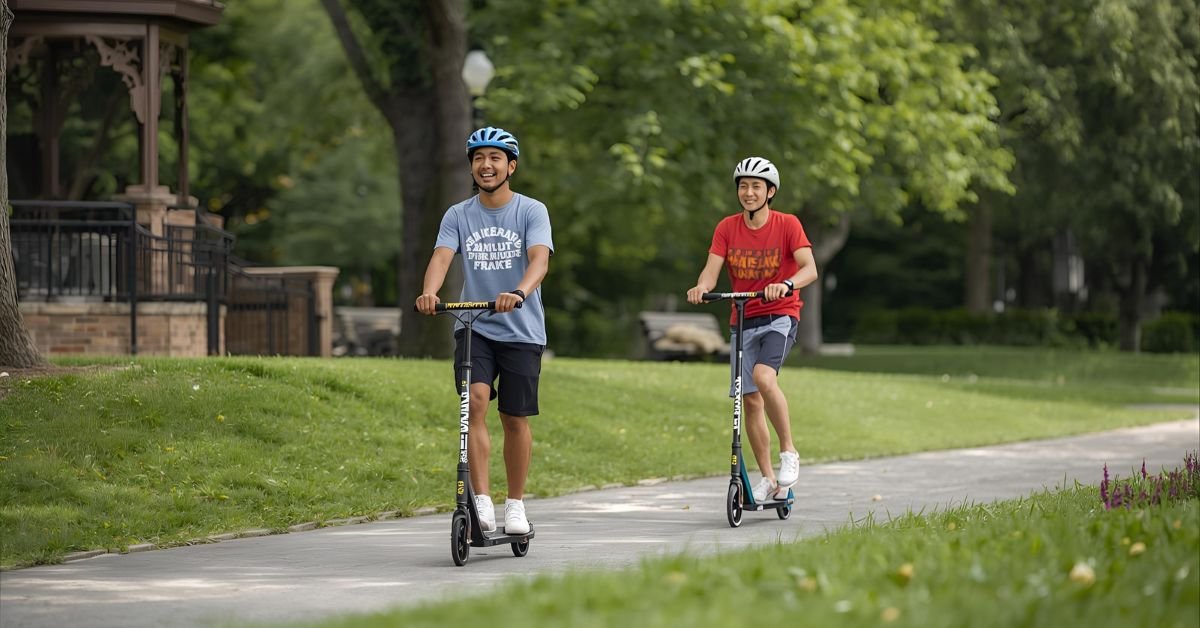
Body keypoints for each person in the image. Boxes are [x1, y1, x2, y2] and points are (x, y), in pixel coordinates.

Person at [415, 126, 553, 535]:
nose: (486, 165)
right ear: (472, 168)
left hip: (522, 329)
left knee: (514, 417)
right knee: (474, 402)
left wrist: (519, 291)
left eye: (494, 158)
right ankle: (481, 498)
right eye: (478, 158)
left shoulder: (531, 210)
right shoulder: (458, 214)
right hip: (474, 326)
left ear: (510, 166)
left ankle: (515, 504)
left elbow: (539, 261)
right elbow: (442, 257)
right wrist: (428, 292)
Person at [686, 156, 817, 502]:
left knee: (763, 377)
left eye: (756, 186)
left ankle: (789, 452)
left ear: (770, 191)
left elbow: (809, 268)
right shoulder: (727, 228)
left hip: (780, 314)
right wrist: (702, 287)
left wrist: (787, 284)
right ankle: (769, 479)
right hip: (743, 319)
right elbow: (711, 270)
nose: (749, 192)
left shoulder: (787, 224)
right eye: (743, 186)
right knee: (750, 401)